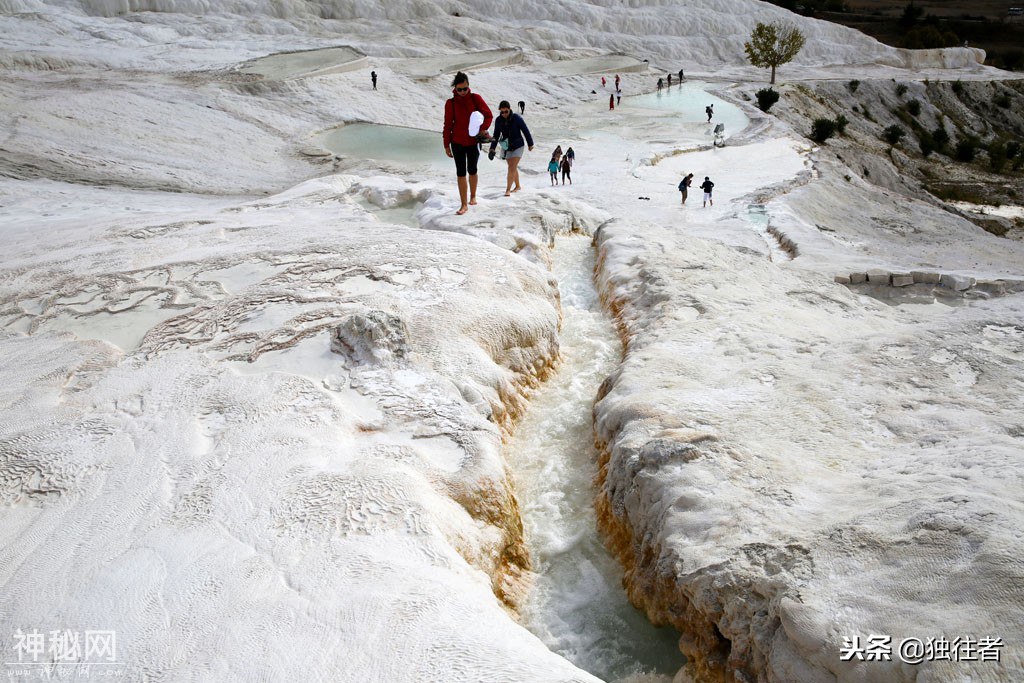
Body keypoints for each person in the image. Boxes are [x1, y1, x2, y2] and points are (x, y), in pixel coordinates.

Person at [443, 71, 493, 215]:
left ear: (468, 86)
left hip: (473, 141)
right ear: (455, 89)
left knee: (472, 169)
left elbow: (488, 115)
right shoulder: (450, 103)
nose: (463, 92)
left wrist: (483, 129)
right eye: (460, 89)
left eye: (465, 88)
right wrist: (446, 144)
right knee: (460, 172)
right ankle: (463, 204)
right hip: (457, 142)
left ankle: (473, 196)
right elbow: (447, 125)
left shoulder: (475, 98)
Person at [489, 100, 534, 196]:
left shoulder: (516, 118)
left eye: (506, 111)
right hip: (507, 147)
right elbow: (496, 136)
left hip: (518, 145)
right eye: (502, 112)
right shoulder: (498, 120)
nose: (504, 114)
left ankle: (508, 189)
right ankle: (517, 186)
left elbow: (525, 130)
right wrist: (492, 149)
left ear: (509, 109)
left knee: (511, 167)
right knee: (512, 167)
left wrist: (530, 144)